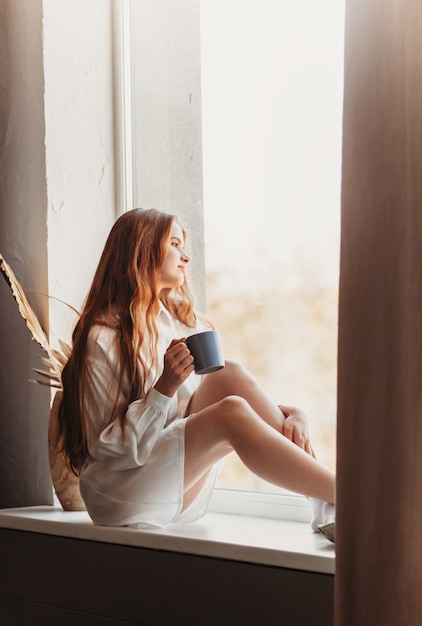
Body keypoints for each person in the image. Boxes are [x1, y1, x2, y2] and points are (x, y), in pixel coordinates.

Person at [57, 208, 335, 536]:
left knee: (227, 373)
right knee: (230, 413)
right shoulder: (102, 337)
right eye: (174, 244)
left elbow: (238, 399)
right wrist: (164, 387)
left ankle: (327, 504)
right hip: (120, 494)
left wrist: (293, 412)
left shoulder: (175, 325)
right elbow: (108, 449)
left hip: (172, 482)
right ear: (142, 250)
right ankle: (349, 498)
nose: (186, 257)